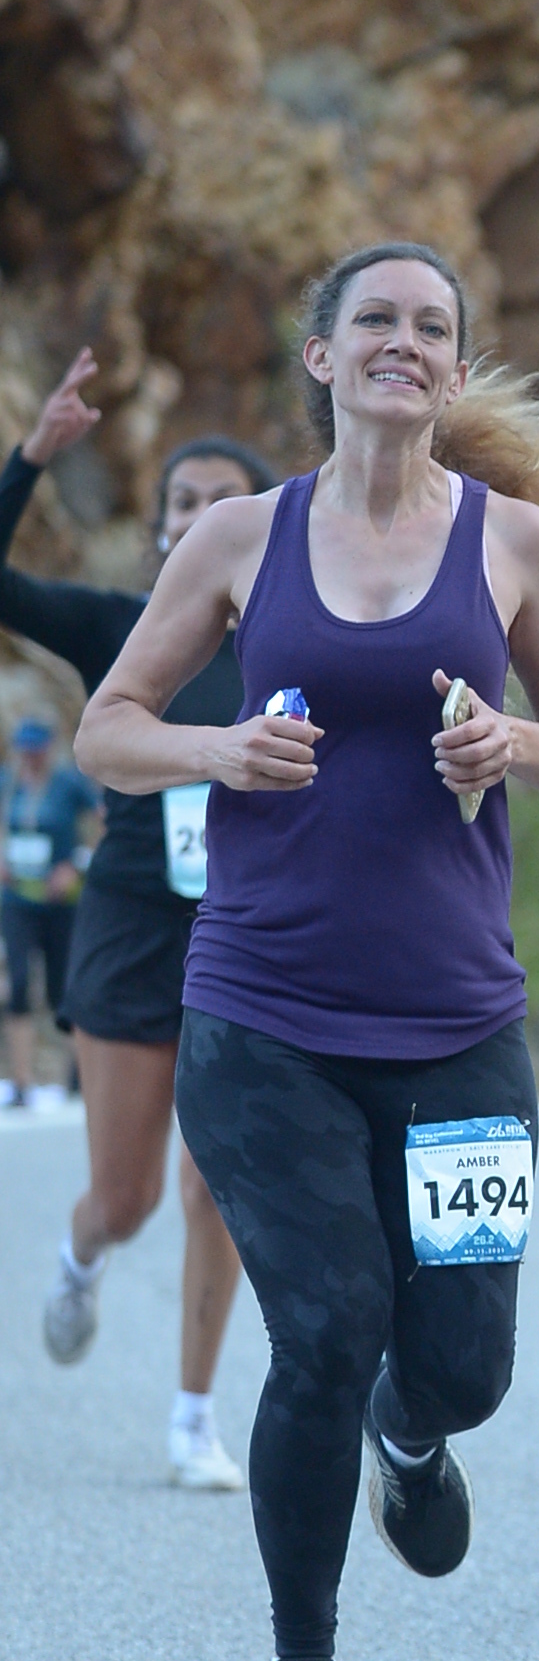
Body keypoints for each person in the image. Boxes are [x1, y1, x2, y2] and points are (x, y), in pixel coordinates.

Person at [77, 241, 539, 1661]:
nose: (405, 342)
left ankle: (415, 1428)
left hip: (460, 1022)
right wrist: (217, 754)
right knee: (324, 1331)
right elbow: (107, 730)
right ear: (321, 357)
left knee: (462, 1365)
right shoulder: (240, 538)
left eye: (432, 326)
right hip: (263, 1014)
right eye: (375, 320)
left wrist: (511, 746)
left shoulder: (513, 540)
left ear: (455, 369)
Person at [0, 349, 270, 1483]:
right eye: (181, 501)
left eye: (222, 502)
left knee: (220, 1185)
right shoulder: (120, 625)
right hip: (129, 926)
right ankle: (80, 1257)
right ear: (161, 528)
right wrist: (29, 460)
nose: (199, 517)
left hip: (250, 934)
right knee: (128, 1197)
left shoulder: (291, 641)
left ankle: (192, 1419)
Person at [3, 705, 93, 1109]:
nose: (31, 756)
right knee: (20, 980)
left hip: (59, 901)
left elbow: (102, 821)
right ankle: (21, 1081)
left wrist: (76, 865)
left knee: (62, 986)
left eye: (37, 749)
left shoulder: (68, 784)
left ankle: (76, 1076)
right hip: (17, 897)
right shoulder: (8, 783)